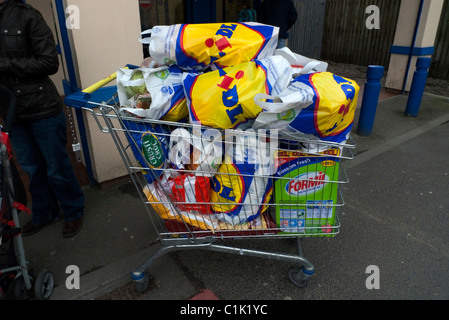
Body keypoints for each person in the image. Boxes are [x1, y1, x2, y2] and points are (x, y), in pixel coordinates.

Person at [0, 0, 85, 237]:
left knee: (56, 166)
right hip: (11, 112)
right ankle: (45, 213)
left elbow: (49, 62)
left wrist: (6, 65)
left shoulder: (27, 16)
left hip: (41, 108)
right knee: (32, 169)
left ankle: (73, 211)